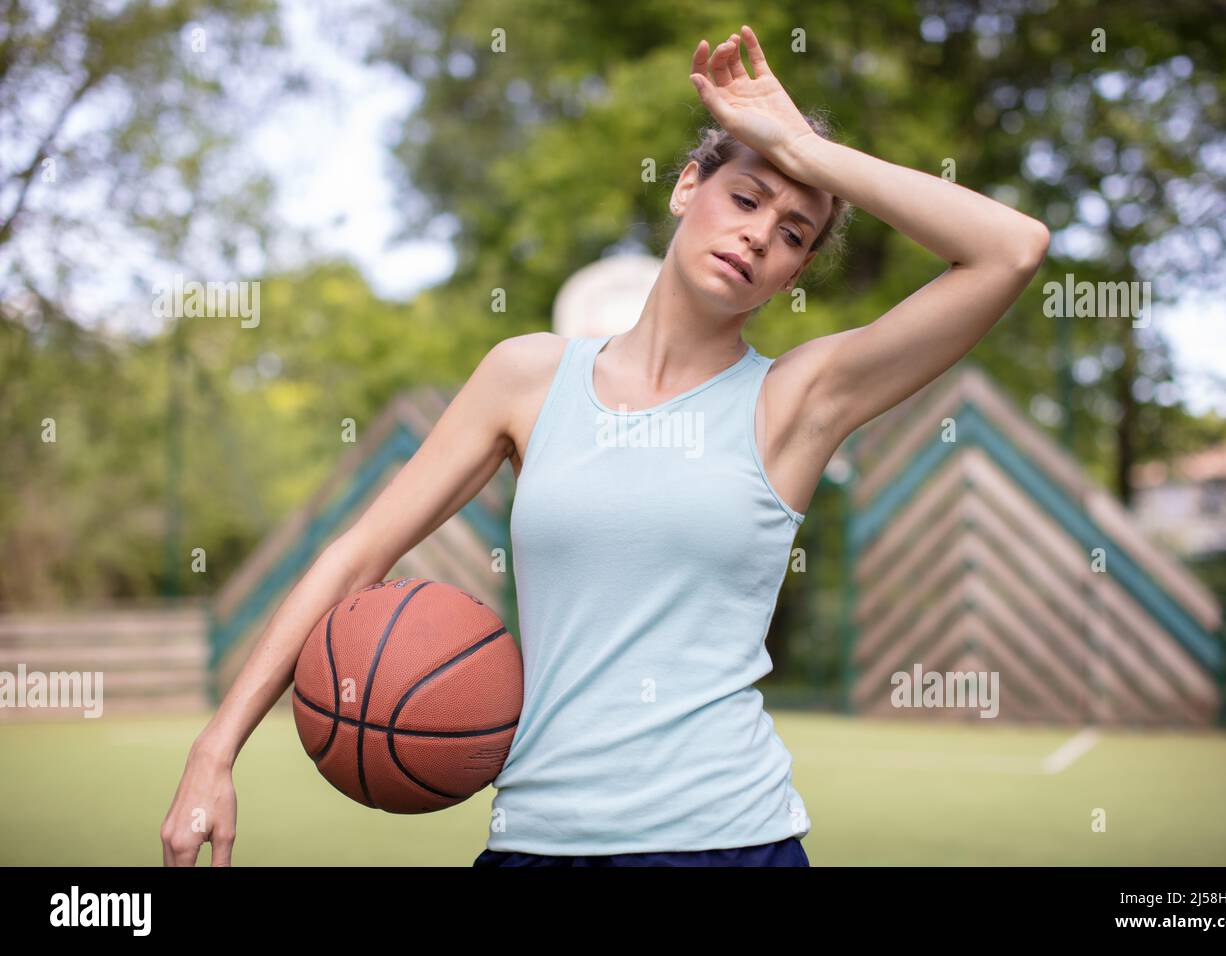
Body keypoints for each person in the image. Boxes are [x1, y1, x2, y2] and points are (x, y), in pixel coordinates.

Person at [161, 25, 1048, 868]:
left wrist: (806, 153)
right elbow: (357, 553)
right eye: (745, 198)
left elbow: (1010, 251)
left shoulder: (796, 401)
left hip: (731, 837)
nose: (758, 235)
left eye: (792, 236)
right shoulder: (526, 377)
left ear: (793, 274)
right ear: (685, 189)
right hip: (541, 836)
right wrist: (217, 745)